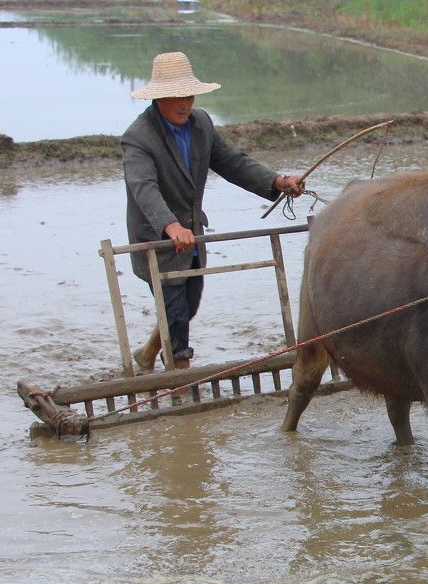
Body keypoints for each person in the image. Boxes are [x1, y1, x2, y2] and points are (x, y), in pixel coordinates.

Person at [122, 51, 304, 371]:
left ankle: (149, 352)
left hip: (192, 238)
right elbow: (144, 190)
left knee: (187, 307)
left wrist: (277, 181)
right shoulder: (139, 138)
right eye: (176, 96)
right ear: (159, 97)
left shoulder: (202, 124)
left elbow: (233, 163)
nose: (184, 104)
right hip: (159, 241)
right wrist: (170, 226)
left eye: (189, 95)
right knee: (176, 314)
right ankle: (179, 380)